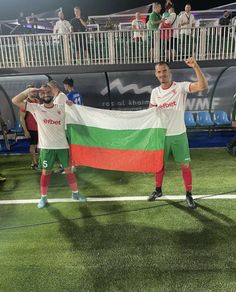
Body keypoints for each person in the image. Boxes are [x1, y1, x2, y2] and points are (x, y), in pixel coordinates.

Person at [12, 85, 87, 208]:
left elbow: (77, 115)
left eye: (48, 92)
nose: (46, 94)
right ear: (40, 95)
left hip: (63, 146)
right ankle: (43, 198)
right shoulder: (35, 108)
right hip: (47, 148)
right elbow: (15, 101)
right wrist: (28, 91)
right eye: (43, 93)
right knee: (46, 172)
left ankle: (75, 193)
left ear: (53, 94)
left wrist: (71, 105)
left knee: (69, 170)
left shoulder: (62, 108)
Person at [148, 57, 208, 209]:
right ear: (156, 74)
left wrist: (195, 66)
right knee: (158, 166)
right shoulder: (155, 92)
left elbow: (202, 86)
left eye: (165, 71)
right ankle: (158, 190)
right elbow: (151, 113)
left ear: (170, 72)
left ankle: (188, 194)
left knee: (185, 165)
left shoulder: (180, 87)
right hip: (161, 135)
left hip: (179, 134)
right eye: (159, 72)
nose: (162, 74)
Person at [19, 85, 39, 170]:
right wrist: (26, 131)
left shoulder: (37, 101)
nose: (34, 92)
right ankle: (34, 163)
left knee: (38, 146)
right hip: (31, 128)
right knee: (33, 146)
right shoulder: (25, 103)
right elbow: (21, 118)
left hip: (38, 128)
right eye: (32, 91)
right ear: (28, 92)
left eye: (34, 91)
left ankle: (38, 162)